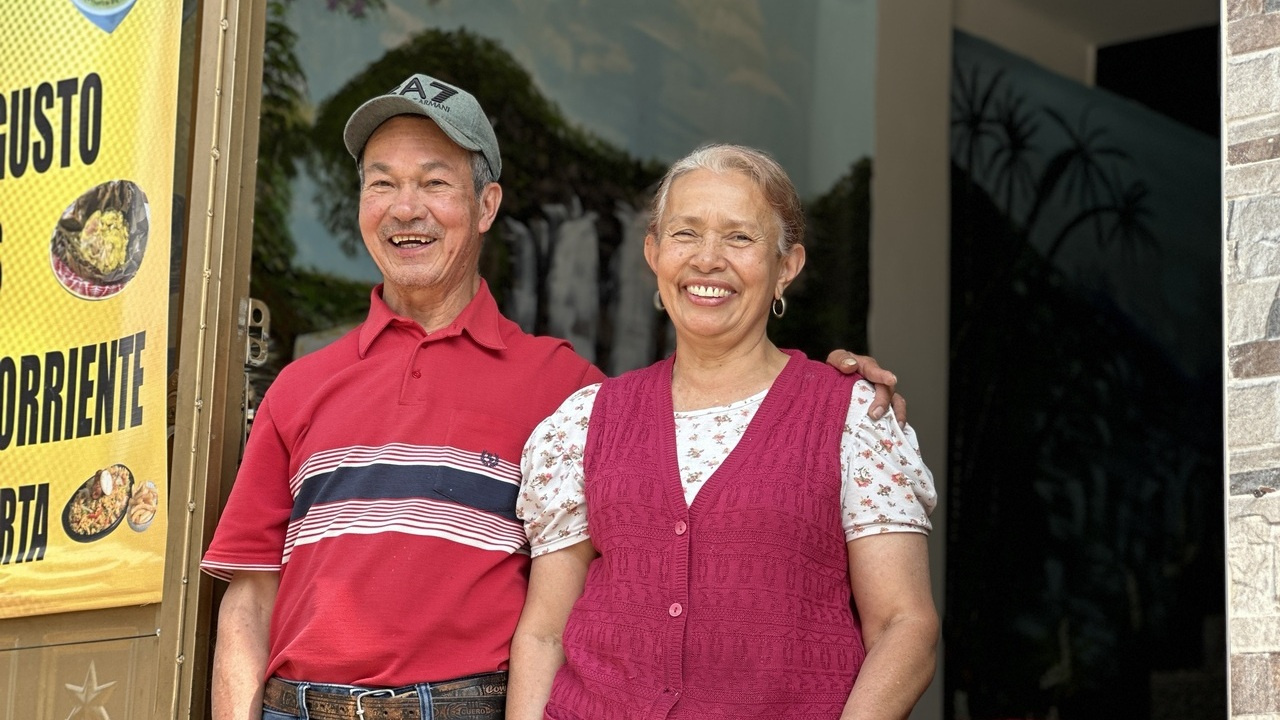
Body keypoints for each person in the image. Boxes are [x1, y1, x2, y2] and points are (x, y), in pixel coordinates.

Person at [201, 74, 904, 720]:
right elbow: (250, 594)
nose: (404, 207)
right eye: (381, 184)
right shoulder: (301, 383)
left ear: (486, 205)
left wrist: (831, 389)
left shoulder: (571, 395)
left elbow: (700, 440)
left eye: (434, 182)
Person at [508, 144, 939, 720]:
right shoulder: (584, 423)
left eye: (740, 237)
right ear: (654, 253)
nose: (708, 259)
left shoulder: (853, 418)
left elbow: (903, 625)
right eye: (685, 234)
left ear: (787, 266)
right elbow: (544, 636)